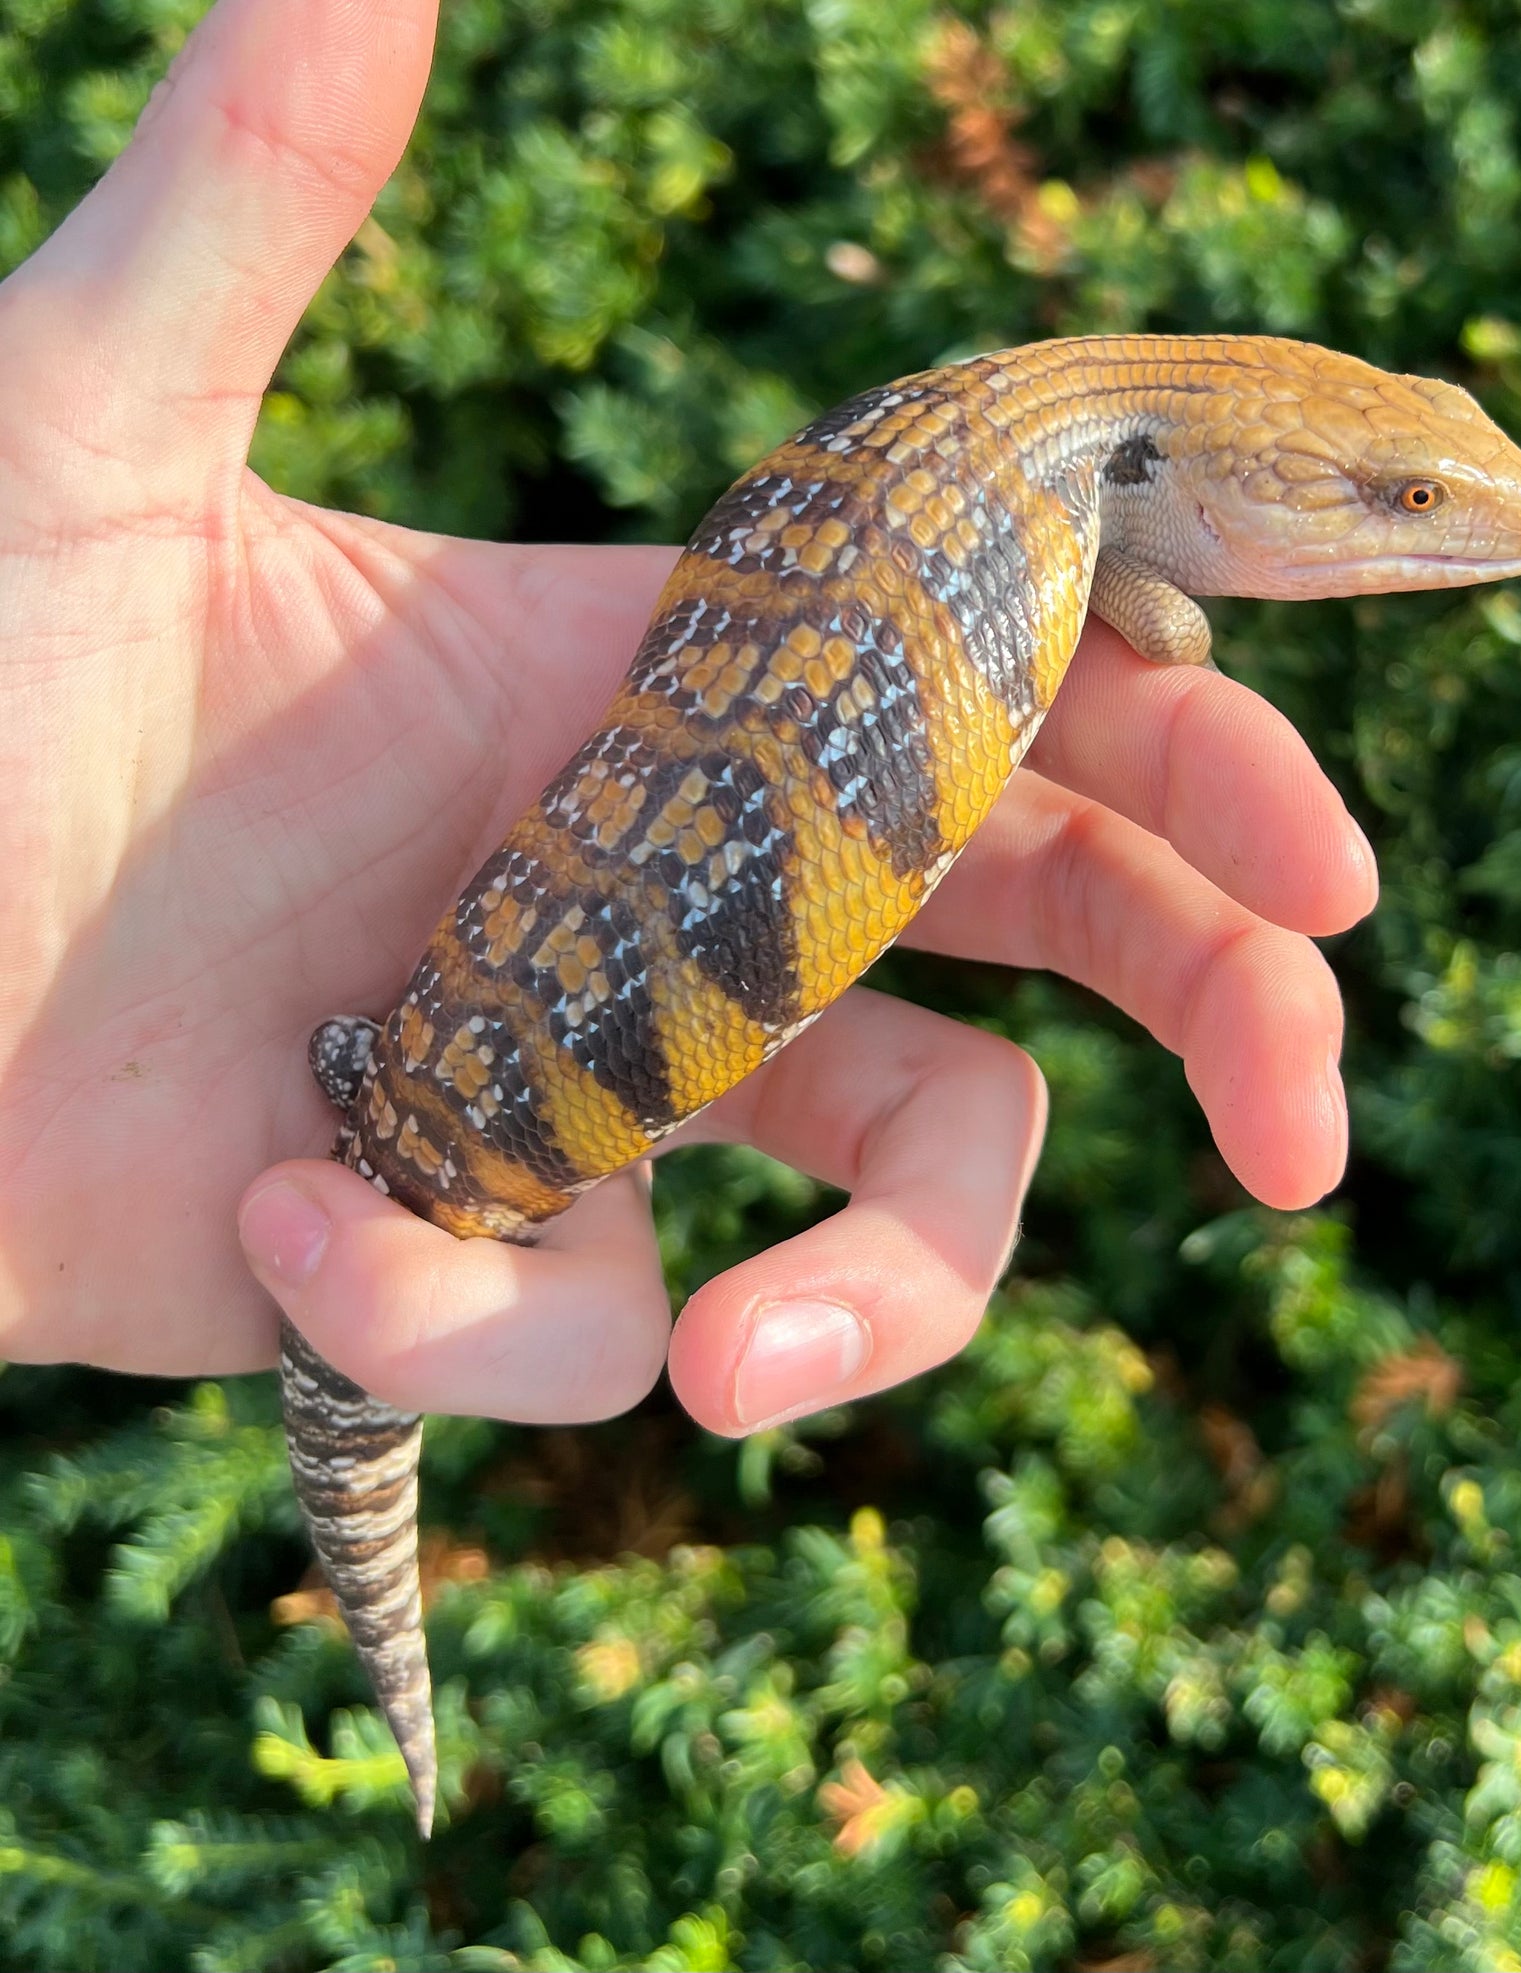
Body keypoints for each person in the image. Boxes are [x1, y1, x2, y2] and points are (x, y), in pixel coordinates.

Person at [0, 0, 1375, 1439]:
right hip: (426, 1076)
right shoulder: (1073, 509)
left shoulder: (977, 423)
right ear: (1230, 462)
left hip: (417, 1048)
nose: (1440, 530)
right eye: (1397, 500)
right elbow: (1167, 628)